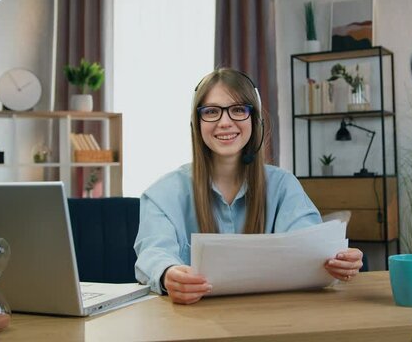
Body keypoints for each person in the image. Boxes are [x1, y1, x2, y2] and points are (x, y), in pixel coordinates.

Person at [134, 68, 363, 304]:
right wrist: (168, 274)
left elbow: (309, 246)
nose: (225, 122)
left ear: (255, 120)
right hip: (192, 322)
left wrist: (338, 260)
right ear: (196, 122)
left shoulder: (283, 186)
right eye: (211, 111)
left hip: (272, 318)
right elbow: (153, 253)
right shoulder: (162, 194)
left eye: (238, 110)